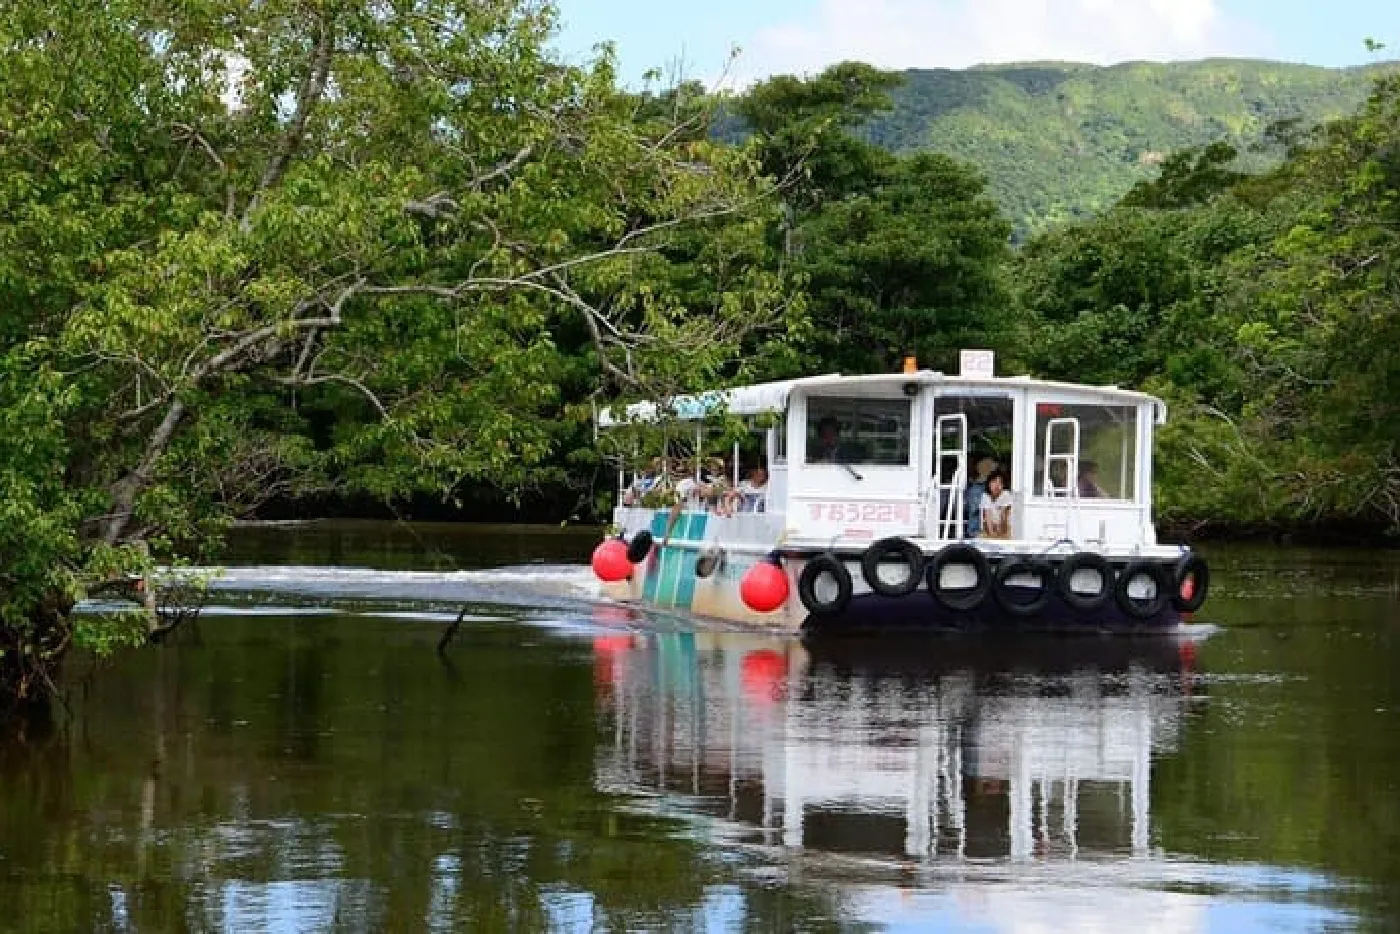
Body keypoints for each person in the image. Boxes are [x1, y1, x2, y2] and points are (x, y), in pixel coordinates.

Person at [963, 455, 995, 537]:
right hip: (977, 532)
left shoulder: (982, 487)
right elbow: (974, 511)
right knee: (975, 511)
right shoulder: (977, 489)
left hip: (986, 530)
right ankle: (974, 532)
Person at [979, 469, 1014, 540]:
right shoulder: (985, 496)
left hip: (1005, 528)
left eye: (1000, 483)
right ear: (989, 483)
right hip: (990, 528)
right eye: (994, 482)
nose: (997, 485)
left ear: (1003, 485)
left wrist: (1000, 536)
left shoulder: (1005, 494)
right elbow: (987, 516)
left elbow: (1004, 517)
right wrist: (992, 535)